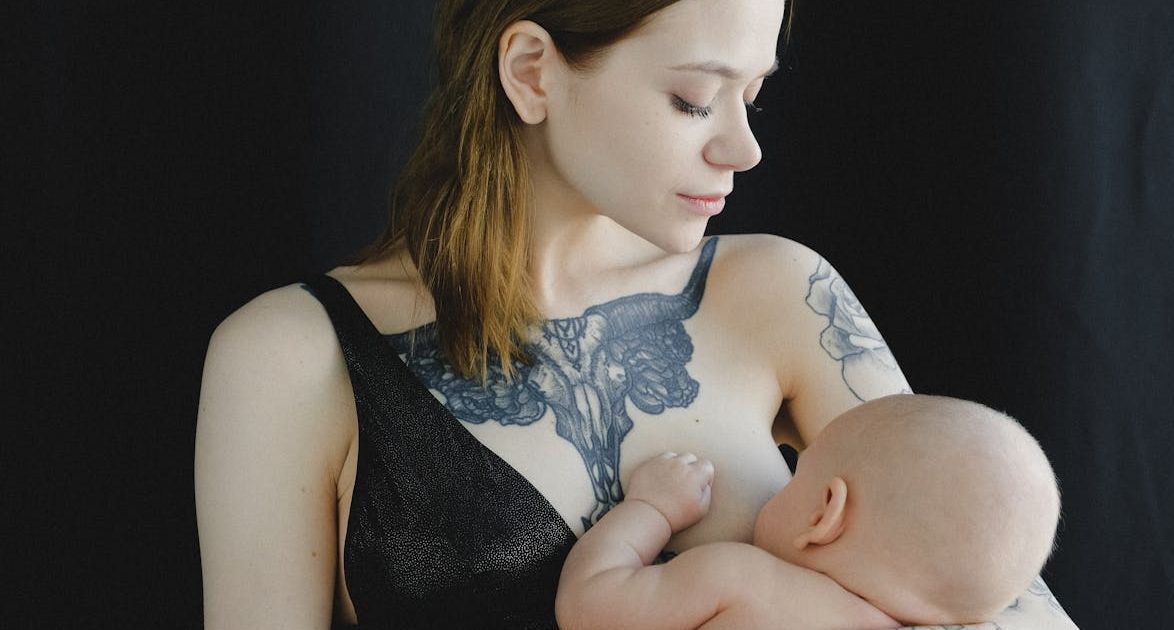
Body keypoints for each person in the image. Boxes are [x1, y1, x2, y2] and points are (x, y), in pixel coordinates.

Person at [194, 0, 1077, 628]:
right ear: (532, 71)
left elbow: (993, 589)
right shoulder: (292, 356)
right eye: (695, 98)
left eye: (754, 94)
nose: (745, 145)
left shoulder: (779, 293)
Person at [555, 394, 1063, 629]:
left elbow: (588, 606)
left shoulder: (745, 580)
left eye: (798, 470)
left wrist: (653, 508)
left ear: (825, 514)